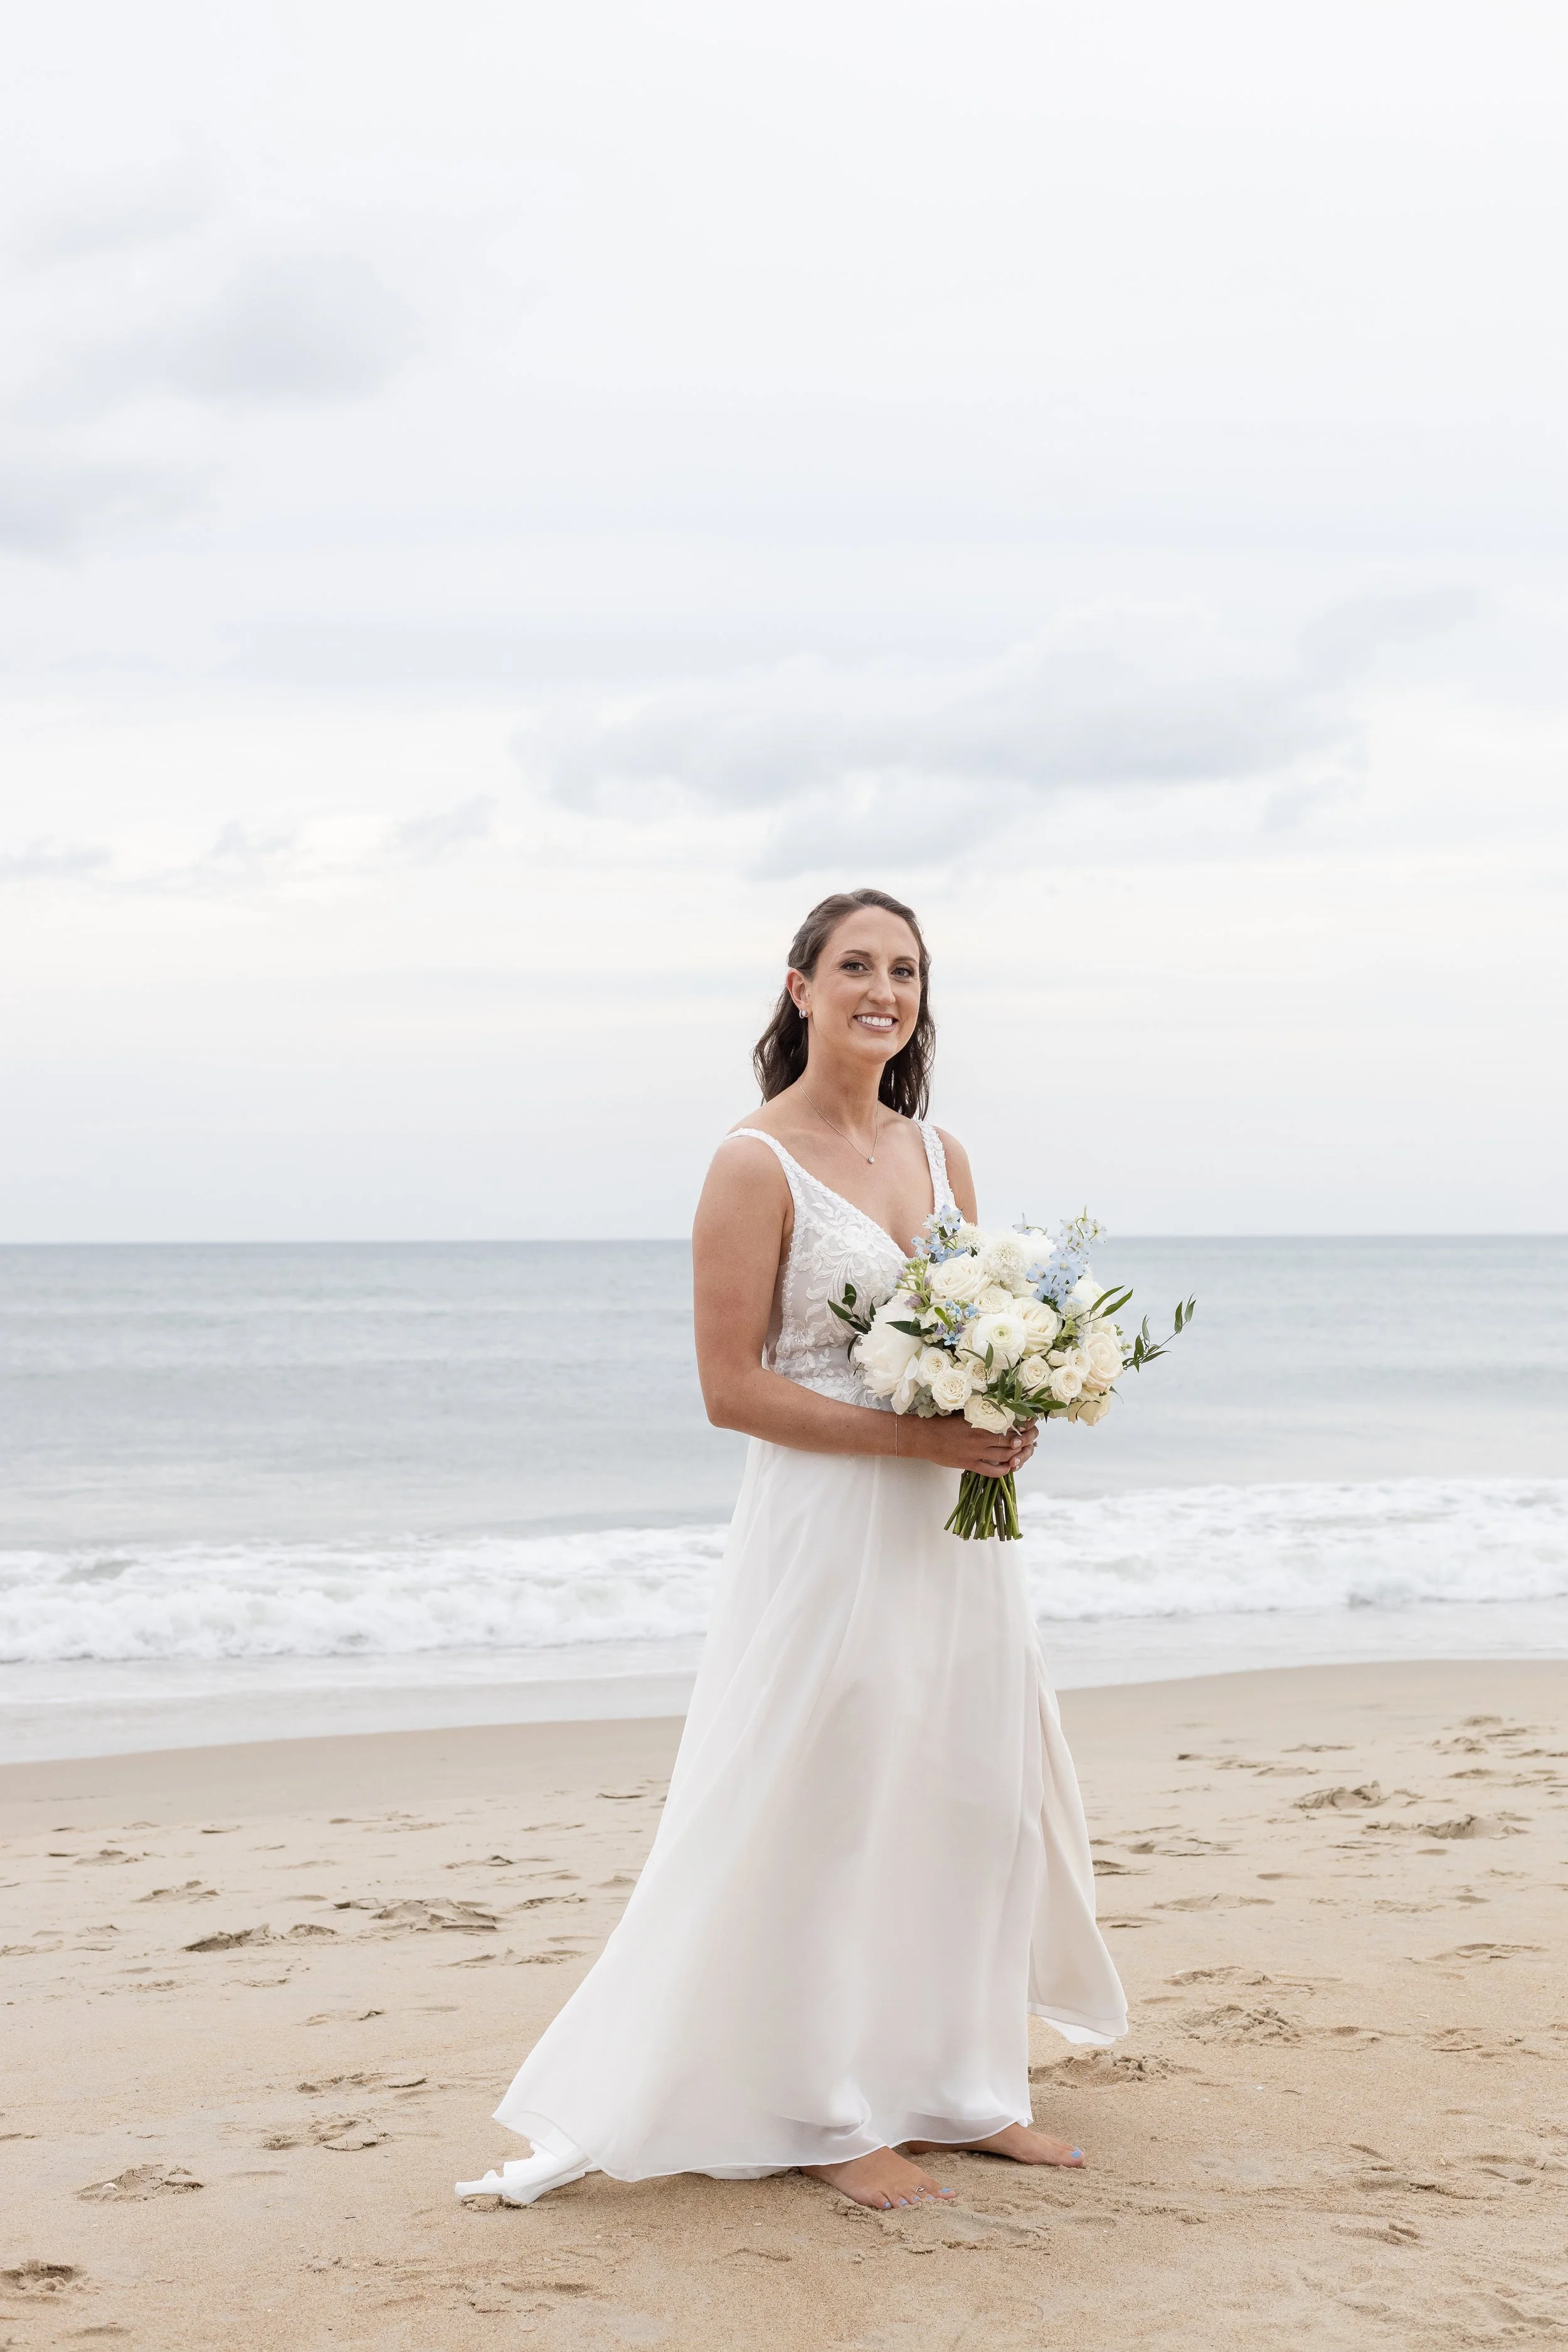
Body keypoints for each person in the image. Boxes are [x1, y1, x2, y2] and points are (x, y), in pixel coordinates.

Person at [457, 887, 1126, 2214]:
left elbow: (968, 1342)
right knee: (829, 1801)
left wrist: (1007, 1410)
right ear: (799, 987)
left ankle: (961, 2089)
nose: (884, 990)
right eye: (856, 966)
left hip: (956, 1532)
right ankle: (818, 2112)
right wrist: (911, 1447)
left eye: (906, 971)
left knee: (968, 1792)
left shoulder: (940, 1157)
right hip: (829, 1528)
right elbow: (728, 1388)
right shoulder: (749, 1163)